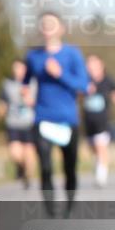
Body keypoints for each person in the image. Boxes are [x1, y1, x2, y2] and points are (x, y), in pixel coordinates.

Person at [24, 12, 89, 215]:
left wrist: (60, 74)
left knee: (69, 168)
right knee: (45, 167)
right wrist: (25, 92)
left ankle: (68, 209)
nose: (47, 27)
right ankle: (51, 213)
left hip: (68, 119)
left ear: (61, 28)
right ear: (40, 29)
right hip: (42, 118)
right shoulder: (33, 57)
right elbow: (25, 82)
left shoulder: (72, 54)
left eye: (52, 24)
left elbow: (83, 86)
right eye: (44, 24)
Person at [83, 54, 115, 187]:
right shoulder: (84, 80)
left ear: (101, 65)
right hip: (88, 120)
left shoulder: (107, 80)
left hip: (103, 119)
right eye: (89, 65)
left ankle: (102, 175)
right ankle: (98, 165)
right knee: (93, 147)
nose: (91, 67)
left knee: (101, 147)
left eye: (94, 64)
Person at [0, 59, 38, 188]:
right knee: (15, 153)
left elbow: (39, 102)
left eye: (20, 68)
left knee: (29, 151)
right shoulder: (7, 84)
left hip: (30, 122)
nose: (17, 71)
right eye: (15, 68)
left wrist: (27, 97)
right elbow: (3, 101)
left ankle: (28, 176)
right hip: (13, 123)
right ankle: (21, 167)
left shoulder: (34, 83)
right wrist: (0, 110)